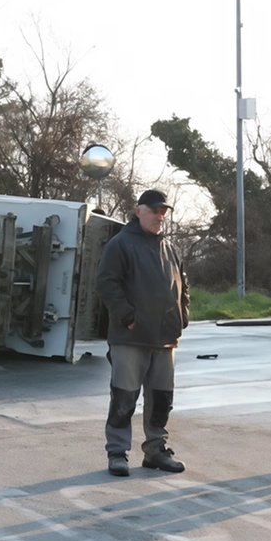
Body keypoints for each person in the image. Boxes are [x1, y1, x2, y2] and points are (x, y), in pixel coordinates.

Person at [94, 189, 190, 477]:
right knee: (124, 397)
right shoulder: (120, 244)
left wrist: (182, 316)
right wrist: (126, 316)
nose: (159, 217)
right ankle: (117, 453)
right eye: (154, 211)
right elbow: (106, 284)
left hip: (165, 339)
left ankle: (156, 450)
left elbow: (183, 284)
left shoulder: (170, 248)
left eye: (163, 212)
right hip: (130, 337)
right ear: (139, 211)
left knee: (161, 399)